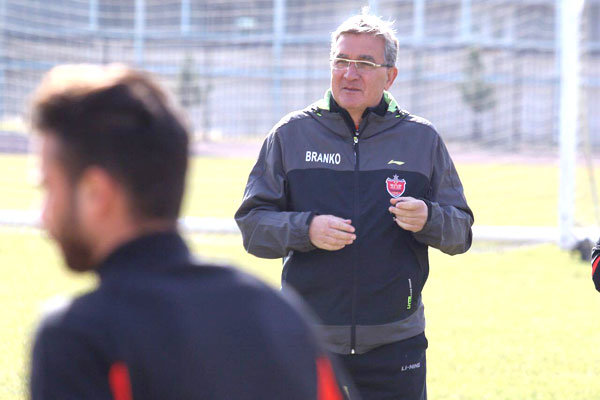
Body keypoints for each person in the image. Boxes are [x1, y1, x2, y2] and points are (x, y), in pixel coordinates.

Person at [29, 64, 346, 400]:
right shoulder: (280, 315)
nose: (42, 218)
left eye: (48, 188)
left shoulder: (81, 337)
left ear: (96, 193)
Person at [235, 10, 473, 400]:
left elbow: (460, 232)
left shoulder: (421, 139)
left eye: (365, 63)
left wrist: (428, 218)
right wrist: (306, 229)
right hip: (307, 340)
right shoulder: (291, 134)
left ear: (390, 75)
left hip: (396, 343)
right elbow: (253, 227)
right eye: (341, 60)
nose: (350, 73)